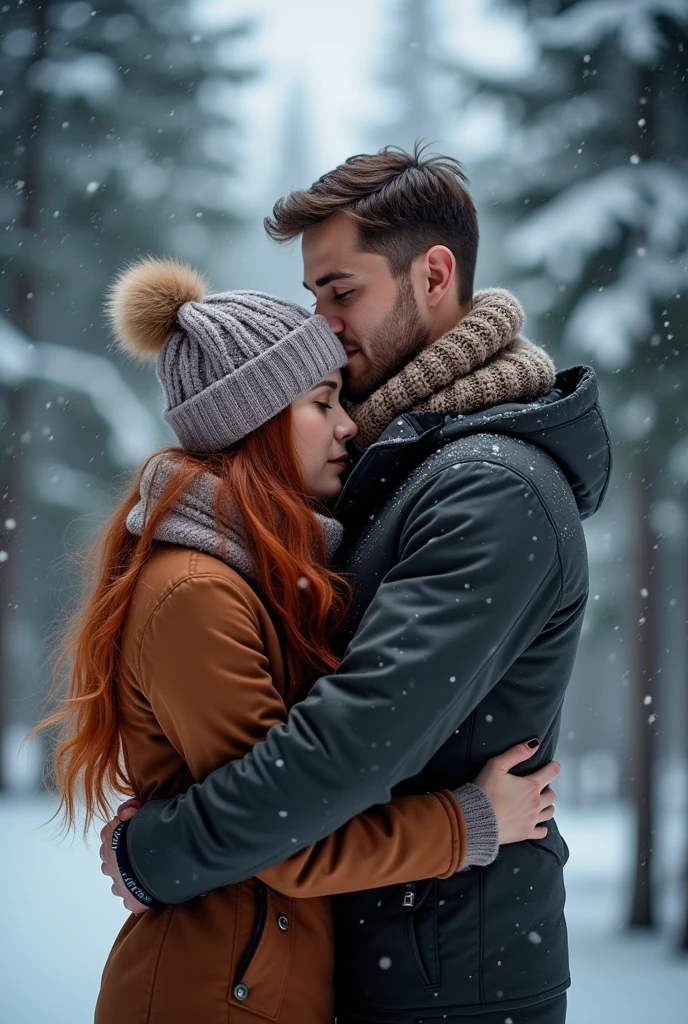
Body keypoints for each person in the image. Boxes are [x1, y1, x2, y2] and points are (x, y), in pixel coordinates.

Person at [99, 148, 612, 1024]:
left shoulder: (488, 487)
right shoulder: (402, 467)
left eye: (343, 293)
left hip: (451, 983)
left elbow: (343, 750)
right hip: (385, 961)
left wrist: (161, 848)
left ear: (434, 274)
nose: (327, 324)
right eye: (313, 300)